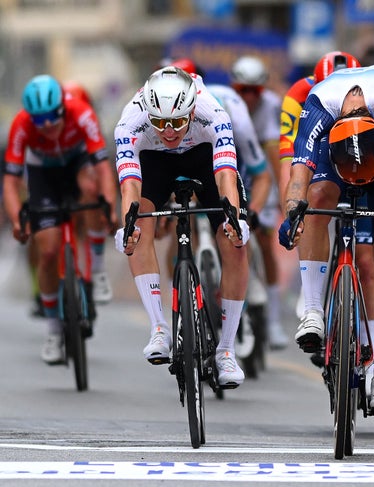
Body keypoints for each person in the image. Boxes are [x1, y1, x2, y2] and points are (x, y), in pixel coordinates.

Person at [279, 63, 374, 416]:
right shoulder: (319, 104)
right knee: (317, 196)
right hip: (335, 155)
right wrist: (292, 213)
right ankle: (313, 309)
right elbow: (299, 172)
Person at [113, 66, 249, 388]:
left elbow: (225, 174)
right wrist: (128, 225)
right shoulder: (130, 122)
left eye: (178, 121)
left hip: (202, 157)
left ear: (191, 109)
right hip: (154, 163)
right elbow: (130, 186)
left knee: (234, 241)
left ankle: (226, 351)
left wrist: (235, 220)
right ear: (149, 114)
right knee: (139, 229)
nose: (170, 131)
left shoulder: (212, 111)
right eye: (160, 123)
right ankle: (159, 328)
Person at [278, 51, 374, 377]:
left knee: (366, 262)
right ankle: (312, 304)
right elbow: (289, 160)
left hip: (364, 153)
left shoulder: (373, 96)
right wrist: (291, 212)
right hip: (322, 149)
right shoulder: (302, 95)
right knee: (314, 204)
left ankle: (372, 351)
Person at [3, 74, 118, 364]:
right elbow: (11, 181)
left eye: (53, 118)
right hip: (44, 174)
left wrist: (110, 208)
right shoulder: (21, 124)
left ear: (63, 109)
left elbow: (104, 169)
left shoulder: (81, 112)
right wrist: (18, 220)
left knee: (92, 190)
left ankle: (99, 268)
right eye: (39, 121)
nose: (48, 126)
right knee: (48, 250)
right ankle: (54, 330)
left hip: (77, 162)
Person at [230, 55, 288, 349]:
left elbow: (274, 157)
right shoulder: (226, 103)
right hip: (233, 170)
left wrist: (283, 195)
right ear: (234, 88)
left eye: (255, 91)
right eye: (243, 90)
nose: (249, 97)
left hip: (259, 174)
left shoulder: (271, 105)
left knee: (265, 243)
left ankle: (274, 320)